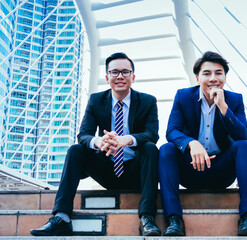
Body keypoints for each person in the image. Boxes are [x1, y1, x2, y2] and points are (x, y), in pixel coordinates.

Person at [30, 52, 161, 236]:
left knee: (150, 148)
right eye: (114, 72)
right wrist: (98, 141)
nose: (120, 76)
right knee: (76, 150)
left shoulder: (148, 101)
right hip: (106, 168)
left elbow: (152, 134)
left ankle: (147, 217)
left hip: (135, 172)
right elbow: (83, 135)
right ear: (107, 77)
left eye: (125, 71)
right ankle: (62, 217)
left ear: (133, 76)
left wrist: (127, 140)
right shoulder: (96, 100)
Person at [159, 51, 247, 236]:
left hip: (221, 171)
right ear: (197, 78)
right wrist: (191, 143)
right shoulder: (183, 96)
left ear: (225, 77)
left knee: (244, 147)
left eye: (218, 73)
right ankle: (174, 220)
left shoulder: (234, 100)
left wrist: (223, 107)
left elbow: (242, 135)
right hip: (191, 170)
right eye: (207, 73)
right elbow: (171, 131)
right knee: (166, 150)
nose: (213, 78)